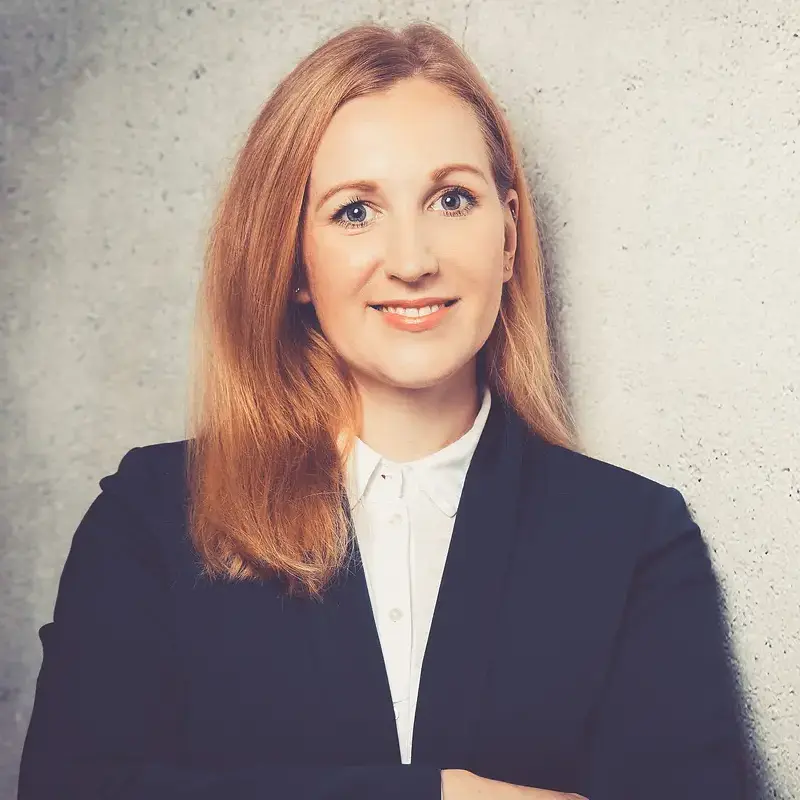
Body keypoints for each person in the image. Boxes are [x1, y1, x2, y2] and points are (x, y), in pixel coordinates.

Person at [18, 20, 747, 800]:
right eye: (355, 211)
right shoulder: (154, 515)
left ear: (507, 238)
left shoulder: (635, 537)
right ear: (294, 264)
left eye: (452, 199)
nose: (412, 260)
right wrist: (441, 795)